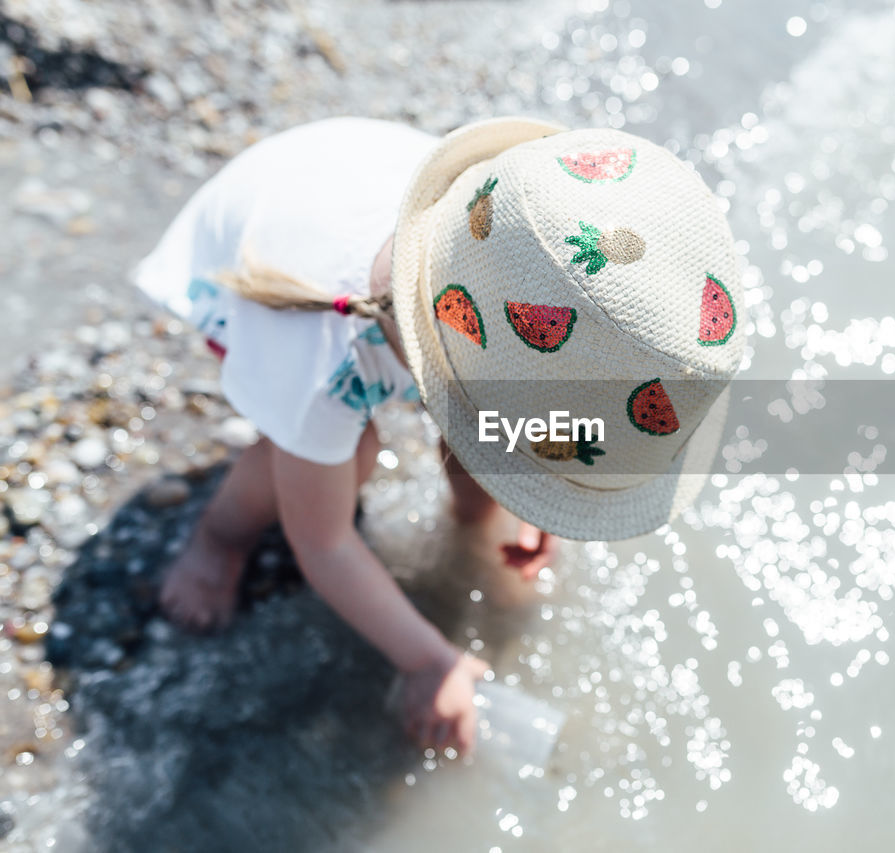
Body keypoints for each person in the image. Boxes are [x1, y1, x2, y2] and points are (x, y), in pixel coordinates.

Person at [132, 115, 745, 759]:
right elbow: (325, 544)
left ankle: (472, 522)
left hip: (393, 232)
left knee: (478, 423)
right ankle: (218, 539)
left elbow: (519, 378)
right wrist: (429, 660)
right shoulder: (320, 365)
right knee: (344, 450)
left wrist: (535, 483)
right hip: (257, 268)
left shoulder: (507, 247)